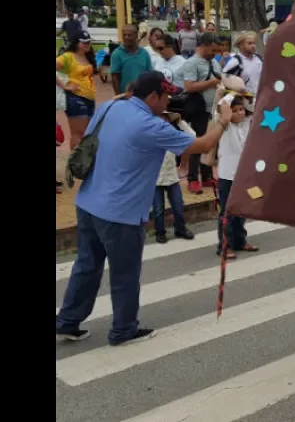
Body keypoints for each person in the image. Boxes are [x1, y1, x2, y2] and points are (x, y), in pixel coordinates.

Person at [55, 71, 232, 346]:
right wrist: (223, 119)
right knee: (125, 273)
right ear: (152, 96)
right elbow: (204, 144)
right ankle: (123, 330)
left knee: (86, 265)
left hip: (88, 201)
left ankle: (67, 321)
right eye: (166, 97)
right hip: (120, 212)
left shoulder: (111, 106)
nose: (168, 102)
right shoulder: (150, 126)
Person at [215, 95, 259, 259]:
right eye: (234, 111)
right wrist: (234, 92)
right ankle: (224, 246)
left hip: (244, 174)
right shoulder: (225, 126)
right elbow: (221, 105)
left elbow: (256, 105)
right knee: (227, 211)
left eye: (241, 110)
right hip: (227, 175)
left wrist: (245, 95)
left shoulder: (247, 123)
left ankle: (240, 240)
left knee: (242, 210)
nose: (239, 113)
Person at [182, 33, 222, 193]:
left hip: (213, 109)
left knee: (210, 144)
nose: (214, 54)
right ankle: (192, 178)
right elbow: (189, 86)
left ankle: (206, 177)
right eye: (212, 50)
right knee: (198, 143)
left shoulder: (214, 62)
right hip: (199, 108)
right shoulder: (192, 63)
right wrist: (211, 83)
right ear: (204, 45)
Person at [153, 112, 196, 243]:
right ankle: (160, 232)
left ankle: (180, 229)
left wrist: (180, 122)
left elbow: (192, 136)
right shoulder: (149, 137)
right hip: (154, 180)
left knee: (178, 205)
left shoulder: (173, 137)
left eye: (166, 120)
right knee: (158, 209)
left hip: (172, 178)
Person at [56, 31, 97, 149]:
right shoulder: (68, 56)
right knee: (78, 133)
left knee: (87, 133)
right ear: (76, 43)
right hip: (76, 99)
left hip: (89, 98)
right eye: (84, 42)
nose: (87, 44)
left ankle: (82, 162)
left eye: (88, 41)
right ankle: (75, 163)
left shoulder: (88, 56)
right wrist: (64, 86)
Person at [110, 24, 153, 95]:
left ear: (136, 35)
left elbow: (149, 74)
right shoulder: (117, 53)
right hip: (126, 95)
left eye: (129, 35)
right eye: (124, 35)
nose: (126, 37)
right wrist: (119, 96)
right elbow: (115, 77)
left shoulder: (144, 53)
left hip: (142, 95)